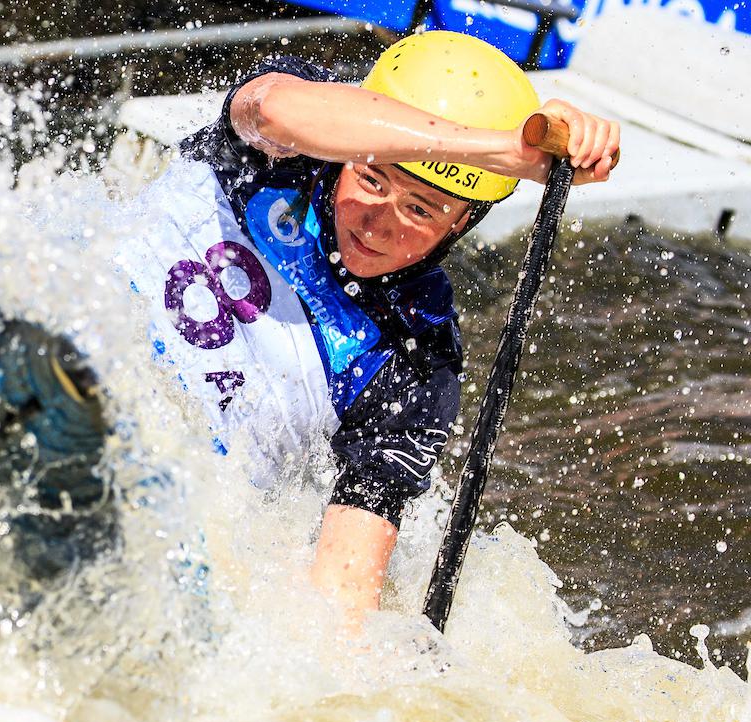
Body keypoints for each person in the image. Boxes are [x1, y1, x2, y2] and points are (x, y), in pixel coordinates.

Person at [119, 30, 620, 629]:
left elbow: (343, 595)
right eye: (373, 180)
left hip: (157, 507)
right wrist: (494, 148)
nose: (378, 224)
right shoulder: (284, 152)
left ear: (463, 226)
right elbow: (275, 108)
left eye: (420, 210)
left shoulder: (416, 358)